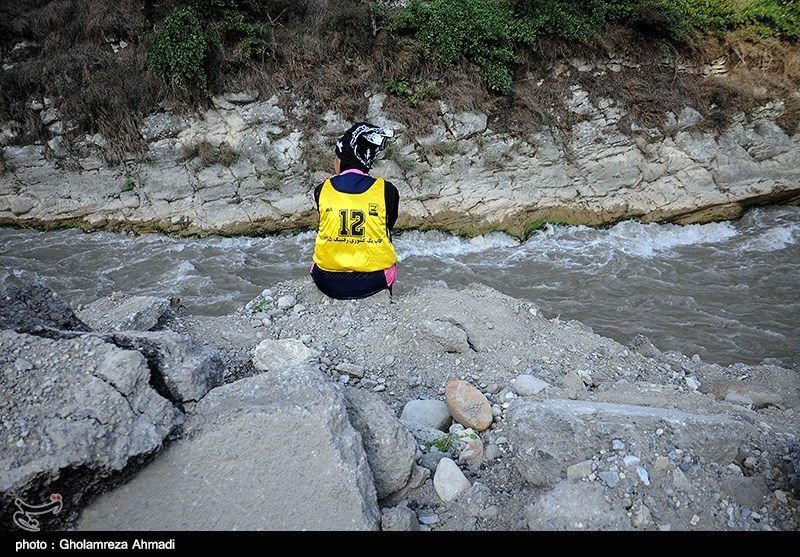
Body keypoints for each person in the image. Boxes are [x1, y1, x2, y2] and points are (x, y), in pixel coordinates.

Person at [310, 122, 399, 300]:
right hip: (374, 280)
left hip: (326, 280)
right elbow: (389, 226)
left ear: (342, 160)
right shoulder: (387, 190)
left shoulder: (321, 190)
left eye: (336, 158)